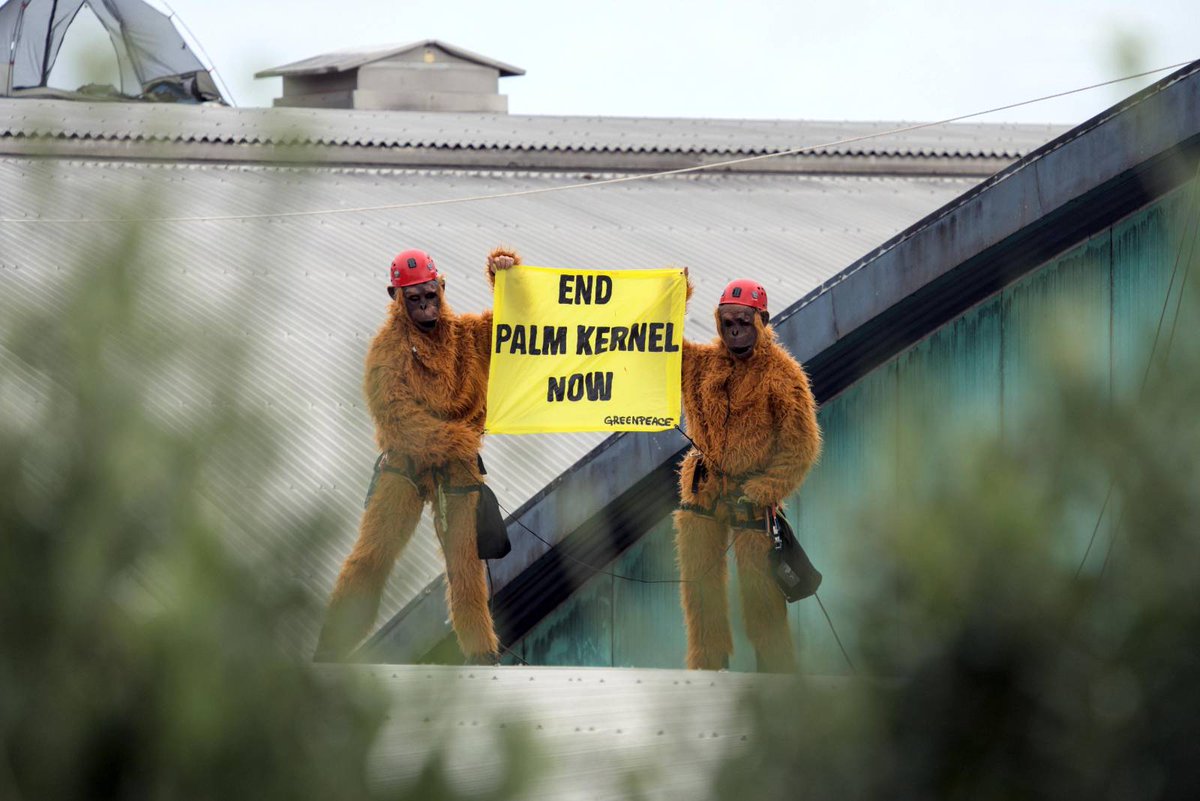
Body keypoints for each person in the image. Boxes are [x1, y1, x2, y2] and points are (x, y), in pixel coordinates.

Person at [314, 246, 519, 664]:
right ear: (396, 297)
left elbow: (511, 329)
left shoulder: (465, 336)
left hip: (458, 471)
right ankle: (329, 655)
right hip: (406, 469)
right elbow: (396, 422)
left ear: (441, 287)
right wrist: (458, 440)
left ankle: (481, 656)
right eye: (415, 299)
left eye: (430, 295)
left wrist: (507, 278)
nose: (425, 306)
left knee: (466, 571)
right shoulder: (386, 352)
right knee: (371, 559)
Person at [674, 278, 821, 672]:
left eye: (743, 321)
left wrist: (762, 490)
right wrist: (674, 296)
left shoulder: (781, 375)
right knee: (700, 588)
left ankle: (774, 672)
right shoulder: (701, 364)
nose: (735, 330)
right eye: (727, 323)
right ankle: (707, 663)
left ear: (762, 319)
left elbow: (801, 448)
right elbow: (659, 346)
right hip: (703, 491)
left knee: (761, 592)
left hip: (751, 497)